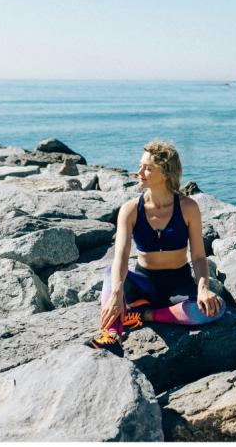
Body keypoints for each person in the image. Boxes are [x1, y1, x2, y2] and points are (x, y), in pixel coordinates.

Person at [87, 139, 226, 357]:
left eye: (148, 168)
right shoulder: (130, 209)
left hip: (178, 285)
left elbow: (199, 257)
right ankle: (111, 335)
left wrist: (203, 288)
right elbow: (121, 257)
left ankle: (143, 315)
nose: (139, 172)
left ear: (166, 173)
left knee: (215, 309)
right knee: (110, 275)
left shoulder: (188, 208)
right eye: (140, 166)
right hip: (144, 283)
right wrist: (116, 294)